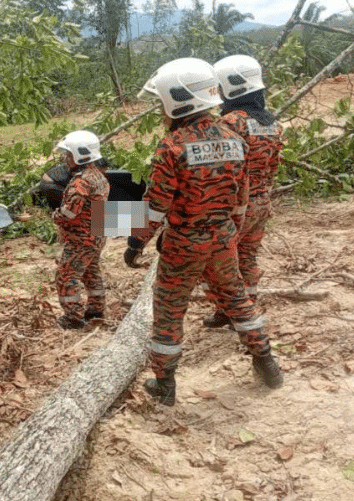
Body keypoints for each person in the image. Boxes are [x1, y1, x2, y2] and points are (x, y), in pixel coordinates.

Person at [124, 58, 283, 406]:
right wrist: (227, 233)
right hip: (224, 237)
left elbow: (155, 207)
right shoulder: (233, 137)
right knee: (237, 297)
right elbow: (241, 199)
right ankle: (266, 360)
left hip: (184, 243)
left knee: (169, 308)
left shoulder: (172, 146)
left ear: (176, 101)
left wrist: (136, 241)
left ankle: (165, 383)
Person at [202, 55, 284, 329]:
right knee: (247, 256)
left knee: (219, 263)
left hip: (235, 206)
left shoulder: (229, 124)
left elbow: (223, 171)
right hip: (261, 203)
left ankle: (229, 311)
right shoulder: (272, 122)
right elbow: (274, 165)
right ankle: (247, 307)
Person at [52, 130, 111, 330]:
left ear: (79, 155)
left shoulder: (81, 181)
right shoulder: (98, 176)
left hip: (81, 239)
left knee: (66, 276)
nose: (65, 159)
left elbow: (70, 213)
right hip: (97, 234)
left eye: (68, 155)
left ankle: (73, 317)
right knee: (91, 273)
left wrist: (55, 216)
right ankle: (96, 310)